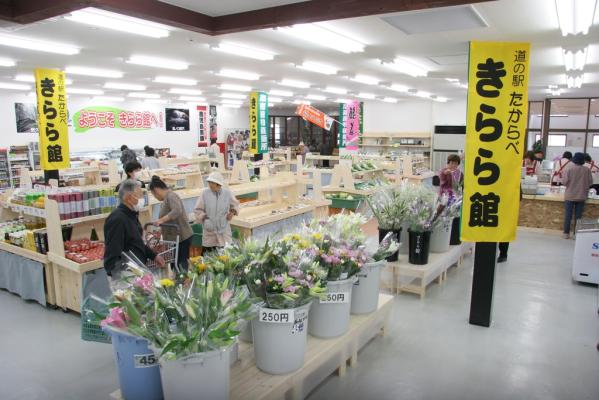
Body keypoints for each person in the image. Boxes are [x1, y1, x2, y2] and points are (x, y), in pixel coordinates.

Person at [103, 179, 165, 290]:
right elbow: (113, 251)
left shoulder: (131, 215)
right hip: (125, 275)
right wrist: (120, 278)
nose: (142, 199)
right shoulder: (118, 219)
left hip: (136, 270)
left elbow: (137, 242)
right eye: (140, 196)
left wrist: (153, 256)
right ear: (129, 198)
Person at [149, 176, 193, 271]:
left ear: (156, 190)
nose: (155, 197)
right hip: (175, 238)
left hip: (182, 236)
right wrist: (160, 230)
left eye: (154, 194)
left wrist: (161, 220)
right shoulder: (166, 199)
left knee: (180, 265)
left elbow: (177, 210)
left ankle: (182, 283)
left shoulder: (171, 196)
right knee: (176, 265)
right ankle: (179, 282)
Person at [194, 171, 240, 253]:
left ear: (218, 184)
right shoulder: (205, 193)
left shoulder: (227, 193)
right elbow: (197, 209)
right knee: (208, 256)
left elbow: (235, 204)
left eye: (212, 183)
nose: (210, 185)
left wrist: (232, 212)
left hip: (223, 229)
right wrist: (203, 216)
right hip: (209, 230)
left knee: (224, 257)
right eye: (209, 183)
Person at [562, 152, 593, 239]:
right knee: (578, 217)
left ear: (574, 160)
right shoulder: (587, 170)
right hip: (581, 196)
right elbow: (590, 182)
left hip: (570, 196)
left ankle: (566, 234)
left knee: (568, 216)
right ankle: (576, 235)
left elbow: (564, 182)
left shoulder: (569, 169)